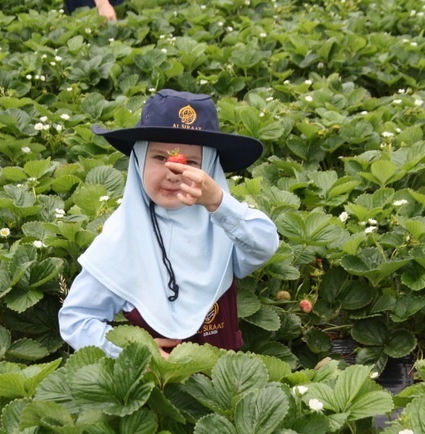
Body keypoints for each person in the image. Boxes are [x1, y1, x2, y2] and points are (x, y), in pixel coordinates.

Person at [58, 89, 279, 359]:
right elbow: (76, 319)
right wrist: (130, 351)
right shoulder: (121, 239)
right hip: (154, 388)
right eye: (160, 157)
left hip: (222, 384)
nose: (174, 173)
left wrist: (219, 204)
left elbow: (264, 245)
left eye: (192, 162)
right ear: (138, 161)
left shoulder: (223, 228)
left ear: (209, 169)